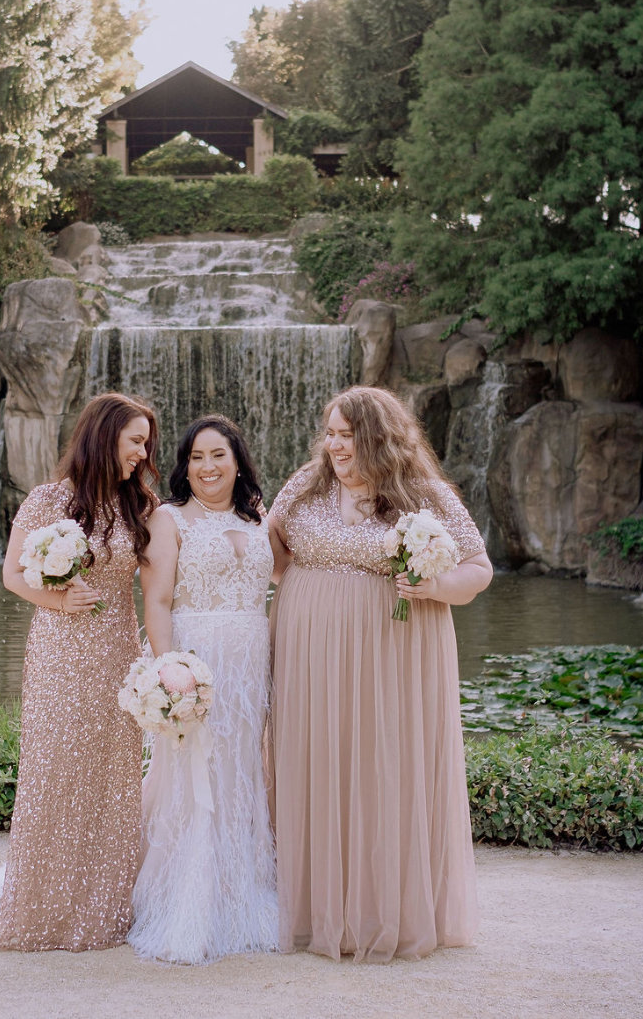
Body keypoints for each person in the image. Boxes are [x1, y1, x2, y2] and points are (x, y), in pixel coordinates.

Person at [267, 385, 494, 962]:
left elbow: (478, 566)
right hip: (309, 655)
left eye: (347, 435)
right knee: (316, 764)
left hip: (392, 653)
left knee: (381, 768)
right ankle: (315, 911)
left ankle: (382, 911)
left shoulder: (425, 494)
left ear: (378, 437)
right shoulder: (305, 484)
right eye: (331, 434)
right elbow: (270, 548)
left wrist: (434, 586)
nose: (334, 446)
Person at [0, 392, 159, 952]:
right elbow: (12, 574)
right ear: (105, 437)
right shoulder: (48, 500)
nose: (142, 452)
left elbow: (157, 589)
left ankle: (102, 913)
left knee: (112, 777)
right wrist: (56, 600)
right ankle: (44, 914)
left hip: (117, 653)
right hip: (60, 651)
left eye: (146, 442)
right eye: (135, 441)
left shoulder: (141, 505)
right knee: (56, 770)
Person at [128, 415, 279, 964]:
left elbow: (285, 577)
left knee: (243, 769)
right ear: (183, 466)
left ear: (237, 461)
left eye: (217, 455)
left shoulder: (257, 515)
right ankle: (190, 897)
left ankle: (240, 890)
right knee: (196, 773)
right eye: (195, 457)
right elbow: (159, 601)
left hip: (251, 661)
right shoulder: (169, 519)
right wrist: (170, 674)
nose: (207, 467)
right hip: (198, 660)